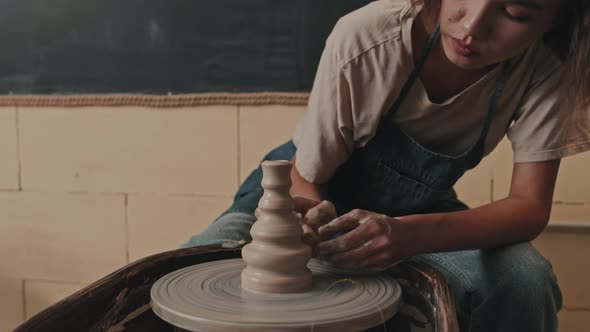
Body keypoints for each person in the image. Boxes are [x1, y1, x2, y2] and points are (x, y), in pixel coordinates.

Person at [182, 0, 590, 330]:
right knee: (187, 266)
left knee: (524, 279)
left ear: (557, 21)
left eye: (515, 13)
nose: (471, 26)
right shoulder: (368, 35)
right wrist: (307, 237)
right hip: (303, 199)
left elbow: (528, 207)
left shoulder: (548, 68)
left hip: (417, 215)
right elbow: (306, 177)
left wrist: (407, 236)